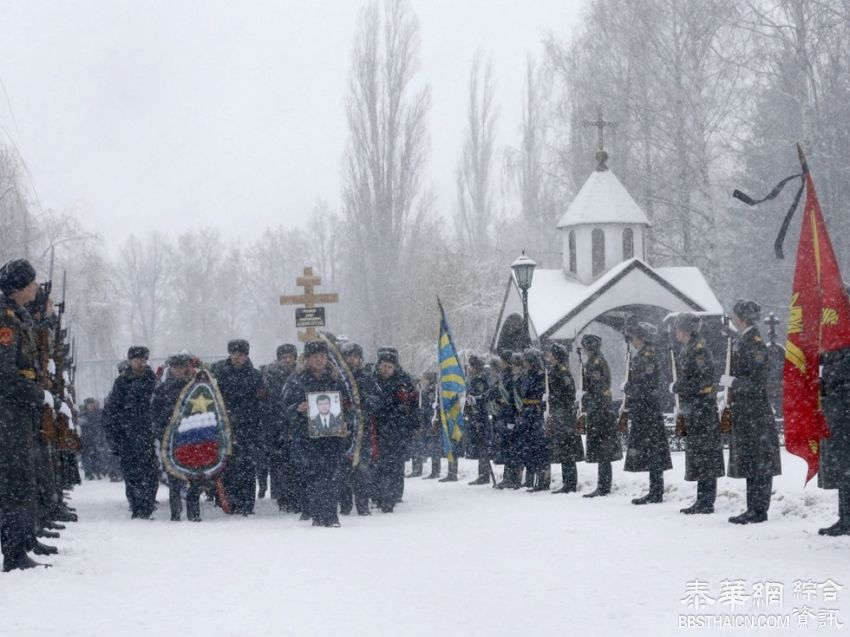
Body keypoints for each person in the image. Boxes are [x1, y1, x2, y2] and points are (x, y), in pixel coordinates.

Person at [0, 259, 52, 571]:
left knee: (21, 480)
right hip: (8, 415)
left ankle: (20, 545)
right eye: (31, 283)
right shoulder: (5, 320)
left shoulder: (16, 316)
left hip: (16, 413)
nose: (35, 287)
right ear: (19, 287)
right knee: (15, 483)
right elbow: (4, 375)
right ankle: (15, 553)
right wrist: (37, 394)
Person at [724, 300, 782, 524]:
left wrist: (734, 382)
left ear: (743, 317)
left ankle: (758, 510)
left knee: (759, 460)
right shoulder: (743, 340)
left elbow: (757, 383)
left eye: (735, 315)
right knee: (751, 459)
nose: (733, 319)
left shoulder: (754, 343)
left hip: (755, 410)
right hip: (746, 410)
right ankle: (753, 507)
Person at [283, 340, 348, 527]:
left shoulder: (336, 379)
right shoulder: (297, 380)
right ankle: (318, 515)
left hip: (332, 437)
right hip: (307, 438)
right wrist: (297, 408)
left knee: (332, 475)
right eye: (314, 356)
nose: (319, 360)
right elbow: (284, 407)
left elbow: (348, 405)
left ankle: (331, 516)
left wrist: (345, 422)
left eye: (322, 356)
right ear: (307, 359)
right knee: (313, 476)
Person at [671, 313, 725, 514]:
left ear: (684, 330)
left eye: (678, 328)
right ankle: (702, 500)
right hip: (695, 408)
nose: (676, 332)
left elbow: (702, 382)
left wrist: (679, 386)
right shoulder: (689, 349)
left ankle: (706, 501)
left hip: (702, 408)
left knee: (705, 455)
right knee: (699, 455)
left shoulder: (698, 350)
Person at [103, 345, 159, 519]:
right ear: (130, 361)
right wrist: (115, 436)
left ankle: (148, 504)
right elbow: (112, 411)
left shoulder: (152, 380)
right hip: (128, 436)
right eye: (137, 360)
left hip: (148, 435)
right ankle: (136, 505)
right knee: (131, 473)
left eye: (143, 360)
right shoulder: (122, 382)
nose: (140, 363)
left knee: (150, 473)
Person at [212, 339, 266, 516]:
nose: (237, 357)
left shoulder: (255, 375)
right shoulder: (219, 373)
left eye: (241, 354)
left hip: (248, 428)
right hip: (225, 427)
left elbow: (263, 401)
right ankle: (228, 502)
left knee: (247, 468)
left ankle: (246, 504)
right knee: (227, 466)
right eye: (234, 354)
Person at [622, 321, 672, 504]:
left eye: (634, 338)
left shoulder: (648, 357)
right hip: (644, 409)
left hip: (648, 408)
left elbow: (648, 386)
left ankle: (656, 491)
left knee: (653, 451)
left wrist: (630, 388)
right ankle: (654, 489)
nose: (632, 341)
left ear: (641, 338)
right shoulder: (642, 355)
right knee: (651, 451)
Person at [150, 353, 205, 522]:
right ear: (170, 368)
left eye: (182, 367)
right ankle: (176, 512)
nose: (179, 370)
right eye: (175, 367)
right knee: (173, 476)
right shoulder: (162, 388)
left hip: (192, 436)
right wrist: (161, 431)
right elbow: (155, 413)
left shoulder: (196, 388)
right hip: (171, 437)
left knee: (195, 476)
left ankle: (193, 511)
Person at [365, 348, 418, 511]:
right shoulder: (371, 381)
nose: (386, 369)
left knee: (395, 464)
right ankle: (377, 495)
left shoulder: (403, 381)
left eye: (389, 366)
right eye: (383, 366)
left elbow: (413, 404)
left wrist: (415, 424)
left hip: (397, 429)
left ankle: (393, 495)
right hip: (377, 429)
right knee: (377, 464)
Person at [580, 334, 622, 498]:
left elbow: (598, 388)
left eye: (585, 347)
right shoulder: (593, 362)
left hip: (600, 409)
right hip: (598, 408)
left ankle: (603, 486)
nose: (584, 351)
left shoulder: (596, 363)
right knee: (600, 450)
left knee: (603, 450)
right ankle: (602, 484)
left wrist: (586, 397)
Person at [262, 343, 299, 511]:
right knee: (279, 465)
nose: (287, 360)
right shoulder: (269, 376)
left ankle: (295, 498)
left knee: (296, 464)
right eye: (284, 357)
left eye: (290, 357)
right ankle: (283, 498)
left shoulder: (300, 374)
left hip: (296, 424)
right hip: (276, 425)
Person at [819, 343, 850, 536]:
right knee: (843, 468)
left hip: (845, 408)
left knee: (846, 466)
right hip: (839, 409)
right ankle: (845, 517)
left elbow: (844, 367)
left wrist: (826, 370)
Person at [544, 343, 583, 494]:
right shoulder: (555, 371)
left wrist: (552, 397)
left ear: (556, 356)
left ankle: (570, 483)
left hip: (564, 414)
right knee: (563, 449)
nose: (549, 356)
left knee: (567, 449)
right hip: (559, 413)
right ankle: (567, 481)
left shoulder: (561, 372)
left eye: (551, 354)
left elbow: (567, 394)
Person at [338, 342, 371, 516]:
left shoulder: (366, 377)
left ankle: (363, 504)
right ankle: (345, 504)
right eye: (348, 356)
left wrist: (362, 401)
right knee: (342, 469)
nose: (352, 360)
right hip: (342, 429)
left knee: (362, 470)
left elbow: (377, 400)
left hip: (362, 430)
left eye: (355, 356)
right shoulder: (337, 377)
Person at [518, 348, 549, 491]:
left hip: (536, 413)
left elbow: (540, 394)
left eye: (526, 361)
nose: (524, 364)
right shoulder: (525, 375)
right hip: (527, 412)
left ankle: (542, 480)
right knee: (528, 446)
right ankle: (530, 479)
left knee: (539, 447)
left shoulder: (541, 376)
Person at [465, 355, 492, 486]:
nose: (469, 368)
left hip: (482, 414)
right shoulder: (471, 379)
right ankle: (482, 473)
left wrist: (478, 398)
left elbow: (487, 395)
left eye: (471, 366)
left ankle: (484, 474)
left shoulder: (482, 379)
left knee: (483, 445)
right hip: (474, 414)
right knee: (480, 445)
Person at [79, 398, 107, 480]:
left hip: (96, 438)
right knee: (86, 457)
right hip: (86, 439)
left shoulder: (98, 413)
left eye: (92, 404)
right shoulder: (83, 414)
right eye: (89, 405)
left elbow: (101, 425)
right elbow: (81, 424)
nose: (91, 406)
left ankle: (97, 472)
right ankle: (89, 473)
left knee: (97, 456)